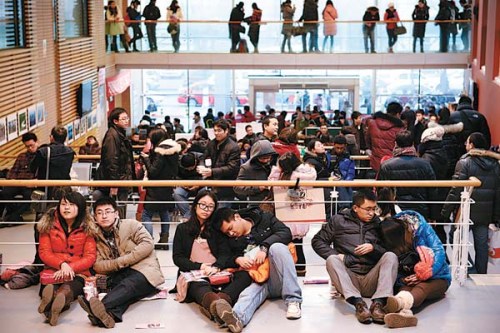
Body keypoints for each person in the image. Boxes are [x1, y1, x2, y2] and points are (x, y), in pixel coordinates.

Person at [311, 190, 398, 324]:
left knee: (391, 256)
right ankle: (359, 304)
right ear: (355, 208)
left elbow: (389, 249)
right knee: (332, 260)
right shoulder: (338, 220)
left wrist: (373, 248)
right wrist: (339, 257)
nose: (372, 213)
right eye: (368, 209)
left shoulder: (378, 224)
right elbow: (317, 241)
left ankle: (378, 304)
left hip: (371, 277)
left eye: (374, 209)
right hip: (348, 277)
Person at [78, 196, 164, 328]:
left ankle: (98, 306)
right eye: (99, 213)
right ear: (95, 217)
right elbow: (98, 265)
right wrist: (118, 264)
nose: (104, 216)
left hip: (145, 271)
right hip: (121, 274)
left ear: (116, 213)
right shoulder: (96, 236)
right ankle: (109, 315)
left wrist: (123, 261)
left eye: (108, 211)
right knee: (125, 295)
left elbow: (148, 244)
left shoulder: (131, 225)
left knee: (128, 285)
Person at [213, 206, 303, 330]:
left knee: (278, 247)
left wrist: (264, 247)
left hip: (280, 276)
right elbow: (224, 257)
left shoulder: (265, 218)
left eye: (230, 228)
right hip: (259, 278)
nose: (231, 233)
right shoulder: (231, 240)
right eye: (227, 233)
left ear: (237, 217)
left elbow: (285, 233)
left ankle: (294, 300)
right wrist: (237, 259)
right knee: (247, 295)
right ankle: (236, 319)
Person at [173, 190, 252, 331]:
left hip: (217, 271)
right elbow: (178, 258)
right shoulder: (182, 229)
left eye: (210, 206)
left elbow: (224, 254)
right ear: (195, 205)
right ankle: (219, 307)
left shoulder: (216, 230)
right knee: (198, 286)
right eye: (203, 205)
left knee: (245, 276)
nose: (206, 210)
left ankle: (220, 304)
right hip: (194, 273)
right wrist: (200, 266)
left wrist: (216, 267)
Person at [380, 211, 451, 328]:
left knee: (422, 288)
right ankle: (406, 316)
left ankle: (398, 303)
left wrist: (426, 274)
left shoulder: (421, 229)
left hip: (438, 277)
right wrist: (401, 279)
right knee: (404, 288)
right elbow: (395, 269)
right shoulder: (391, 232)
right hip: (410, 278)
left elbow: (439, 252)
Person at [442, 133, 500, 274]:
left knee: (455, 236)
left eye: (467, 142)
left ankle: (468, 268)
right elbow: (498, 192)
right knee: (481, 244)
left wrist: (446, 211)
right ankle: (481, 273)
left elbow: (456, 189)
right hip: (485, 212)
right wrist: (496, 215)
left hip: (465, 210)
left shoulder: (464, 162)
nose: (465, 144)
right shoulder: (495, 164)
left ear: (472, 145)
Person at [37, 191, 97, 326]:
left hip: (77, 271)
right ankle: (57, 300)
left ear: (80, 207)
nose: (66, 208)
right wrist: (61, 264)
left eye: (71, 204)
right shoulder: (48, 224)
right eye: (63, 204)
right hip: (54, 269)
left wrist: (70, 267)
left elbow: (90, 256)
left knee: (71, 285)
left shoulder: (88, 227)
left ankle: (55, 303)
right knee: (53, 286)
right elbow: (44, 252)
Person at [268, 152, 316, 276]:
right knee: (298, 245)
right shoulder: (308, 173)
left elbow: (270, 183)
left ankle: (287, 271)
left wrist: (277, 170)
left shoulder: (285, 176)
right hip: (300, 212)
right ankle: (300, 270)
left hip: (285, 211)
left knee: (283, 244)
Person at [379, 130, 438, 221]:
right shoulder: (425, 164)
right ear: (413, 144)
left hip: (395, 211)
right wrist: (433, 216)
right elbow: (432, 191)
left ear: (396, 144)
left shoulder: (386, 166)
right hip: (420, 211)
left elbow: (382, 192)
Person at [140, 128, 181, 250]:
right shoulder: (173, 149)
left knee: (146, 214)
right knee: (164, 213)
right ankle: (164, 240)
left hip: (156, 188)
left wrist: (146, 158)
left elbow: (153, 171)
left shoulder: (160, 152)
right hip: (167, 186)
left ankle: (148, 242)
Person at [94, 108, 136, 219]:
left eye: (127, 118)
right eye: (123, 119)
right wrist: (114, 183)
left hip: (121, 179)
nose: (127, 121)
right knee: (117, 210)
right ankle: (118, 232)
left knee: (120, 208)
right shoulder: (112, 136)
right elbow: (111, 161)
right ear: (115, 121)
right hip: (117, 180)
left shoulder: (119, 133)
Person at [199, 120, 240, 208]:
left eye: (219, 130)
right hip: (211, 184)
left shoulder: (234, 147)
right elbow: (203, 157)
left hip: (225, 186)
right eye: (215, 130)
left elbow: (232, 168)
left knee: (221, 214)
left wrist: (212, 172)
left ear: (226, 131)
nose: (216, 133)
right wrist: (201, 166)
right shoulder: (211, 143)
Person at [0, 132, 38, 222]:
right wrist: (11, 179)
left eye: (31, 145)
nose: (30, 148)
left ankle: (13, 216)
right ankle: (14, 215)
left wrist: (35, 182)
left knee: (28, 196)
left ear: (37, 142)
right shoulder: (22, 156)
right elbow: (13, 171)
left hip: (30, 184)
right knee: (4, 193)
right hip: (18, 182)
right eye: (27, 146)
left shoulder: (40, 157)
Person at [30, 126, 75, 201]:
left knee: (44, 209)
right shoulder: (70, 152)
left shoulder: (43, 151)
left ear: (52, 137)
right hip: (64, 186)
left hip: (45, 186)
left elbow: (32, 168)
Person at [365, 101, 405, 173]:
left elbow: (368, 141)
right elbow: (402, 147)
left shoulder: (372, 123)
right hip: (393, 164)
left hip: (376, 163)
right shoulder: (399, 128)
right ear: (398, 114)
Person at [234, 140, 277, 206]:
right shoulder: (247, 168)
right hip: (257, 204)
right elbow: (237, 187)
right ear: (256, 157)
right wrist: (257, 188)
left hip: (276, 201)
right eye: (262, 158)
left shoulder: (274, 163)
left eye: (268, 157)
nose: (266, 160)